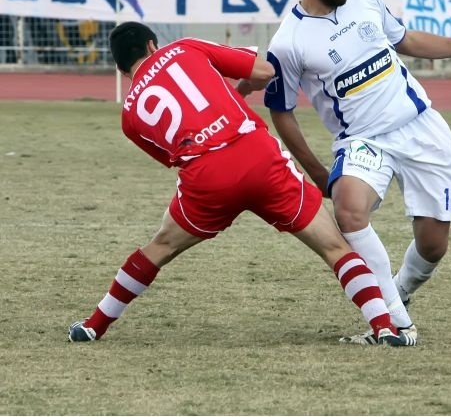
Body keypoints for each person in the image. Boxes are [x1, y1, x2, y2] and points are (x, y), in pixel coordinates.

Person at [67, 21, 414, 347]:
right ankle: (383, 326)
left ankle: (94, 325)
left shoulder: (129, 115)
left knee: (159, 248)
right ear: (152, 44)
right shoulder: (186, 47)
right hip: (256, 153)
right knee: (334, 246)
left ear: (120, 70)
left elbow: (173, 156)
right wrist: (237, 92)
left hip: (206, 176)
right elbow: (265, 72)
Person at [256, 0, 451, 344]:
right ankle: (394, 322)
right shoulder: (288, 42)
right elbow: (281, 110)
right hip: (362, 140)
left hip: (419, 125)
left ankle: (399, 293)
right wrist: (318, 173)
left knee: (433, 246)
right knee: (349, 211)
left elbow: (407, 39)